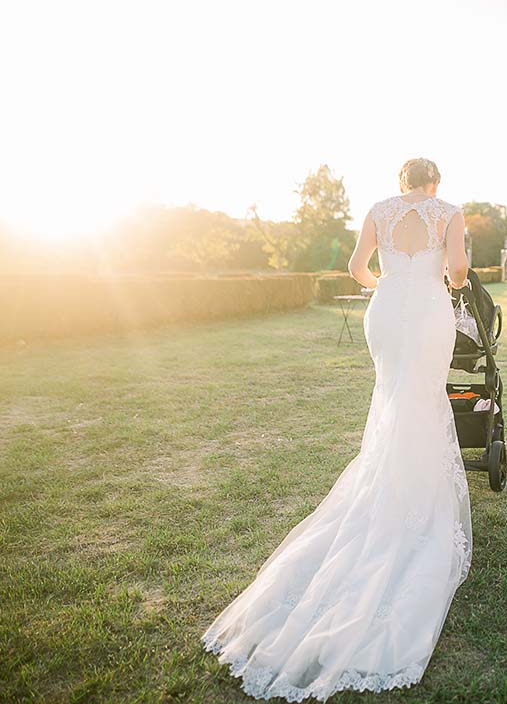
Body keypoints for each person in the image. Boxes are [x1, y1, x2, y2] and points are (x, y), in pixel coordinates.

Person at [201, 157, 473, 701]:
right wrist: (437, 280)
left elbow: (356, 266)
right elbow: (460, 272)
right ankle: (415, 501)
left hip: (388, 308)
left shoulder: (378, 209)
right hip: (428, 312)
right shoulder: (450, 212)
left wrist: (389, 285)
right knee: (423, 401)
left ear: (402, 184)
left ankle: (389, 488)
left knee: (393, 400)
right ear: (434, 182)